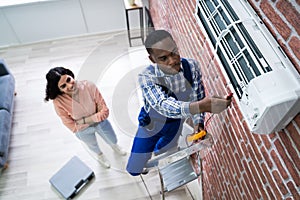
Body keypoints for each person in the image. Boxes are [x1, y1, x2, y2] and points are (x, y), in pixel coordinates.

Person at [126, 30, 232, 176]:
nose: (173, 60)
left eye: (174, 52)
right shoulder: (147, 77)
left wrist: (198, 123)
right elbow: (162, 105)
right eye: (163, 58)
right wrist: (202, 106)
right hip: (151, 125)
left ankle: (158, 153)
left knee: (165, 150)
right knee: (134, 169)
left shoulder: (192, 67)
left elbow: (197, 96)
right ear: (152, 60)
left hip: (175, 123)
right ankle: (141, 163)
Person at [44, 67, 126, 168]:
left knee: (111, 138)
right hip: (82, 130)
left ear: (71, 75)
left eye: (69, 80)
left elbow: (104, 112)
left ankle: (115, 146)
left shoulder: (89, 86)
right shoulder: (58, 103)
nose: (69, 86)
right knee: (92, 145)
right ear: (59, 89)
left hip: (100, 122)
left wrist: (82, 121)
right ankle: (100, 155)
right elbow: (71, 125)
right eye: (63, 86)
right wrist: (94, 117)